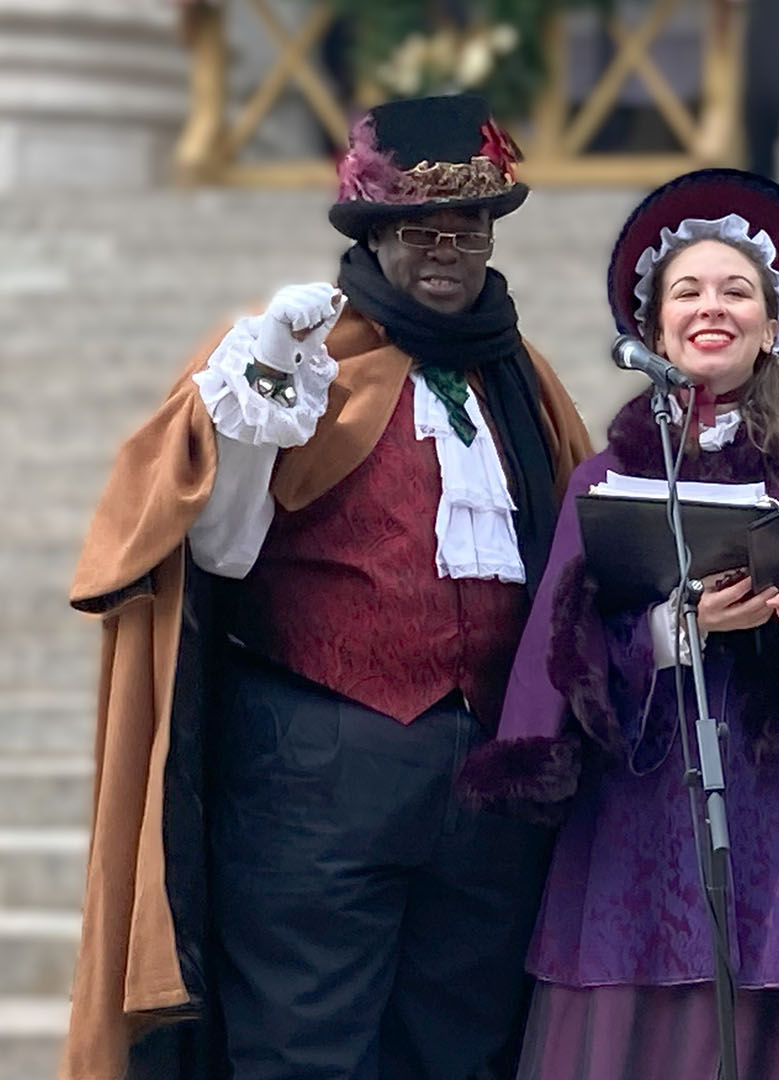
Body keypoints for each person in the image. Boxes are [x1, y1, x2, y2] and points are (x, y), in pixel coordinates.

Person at [63, 92, 594, 1079]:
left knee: (463, 1050)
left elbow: (574, 567)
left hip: (485, 789)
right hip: (312, 778)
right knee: (305, 1053)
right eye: (415, 228)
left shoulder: (526, 381)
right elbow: (216, 548)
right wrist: (256, 402)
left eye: (467, 228)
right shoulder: (294, 360)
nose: (444, 249)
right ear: (374, 234)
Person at [457, 168, 779, 1080]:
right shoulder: (602, 481)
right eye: (688, 291)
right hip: (640, 823)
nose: (712, 307)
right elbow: (557, 666)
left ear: (771, 323)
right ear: (654, 324)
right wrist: (674, 632)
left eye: (737, 291)